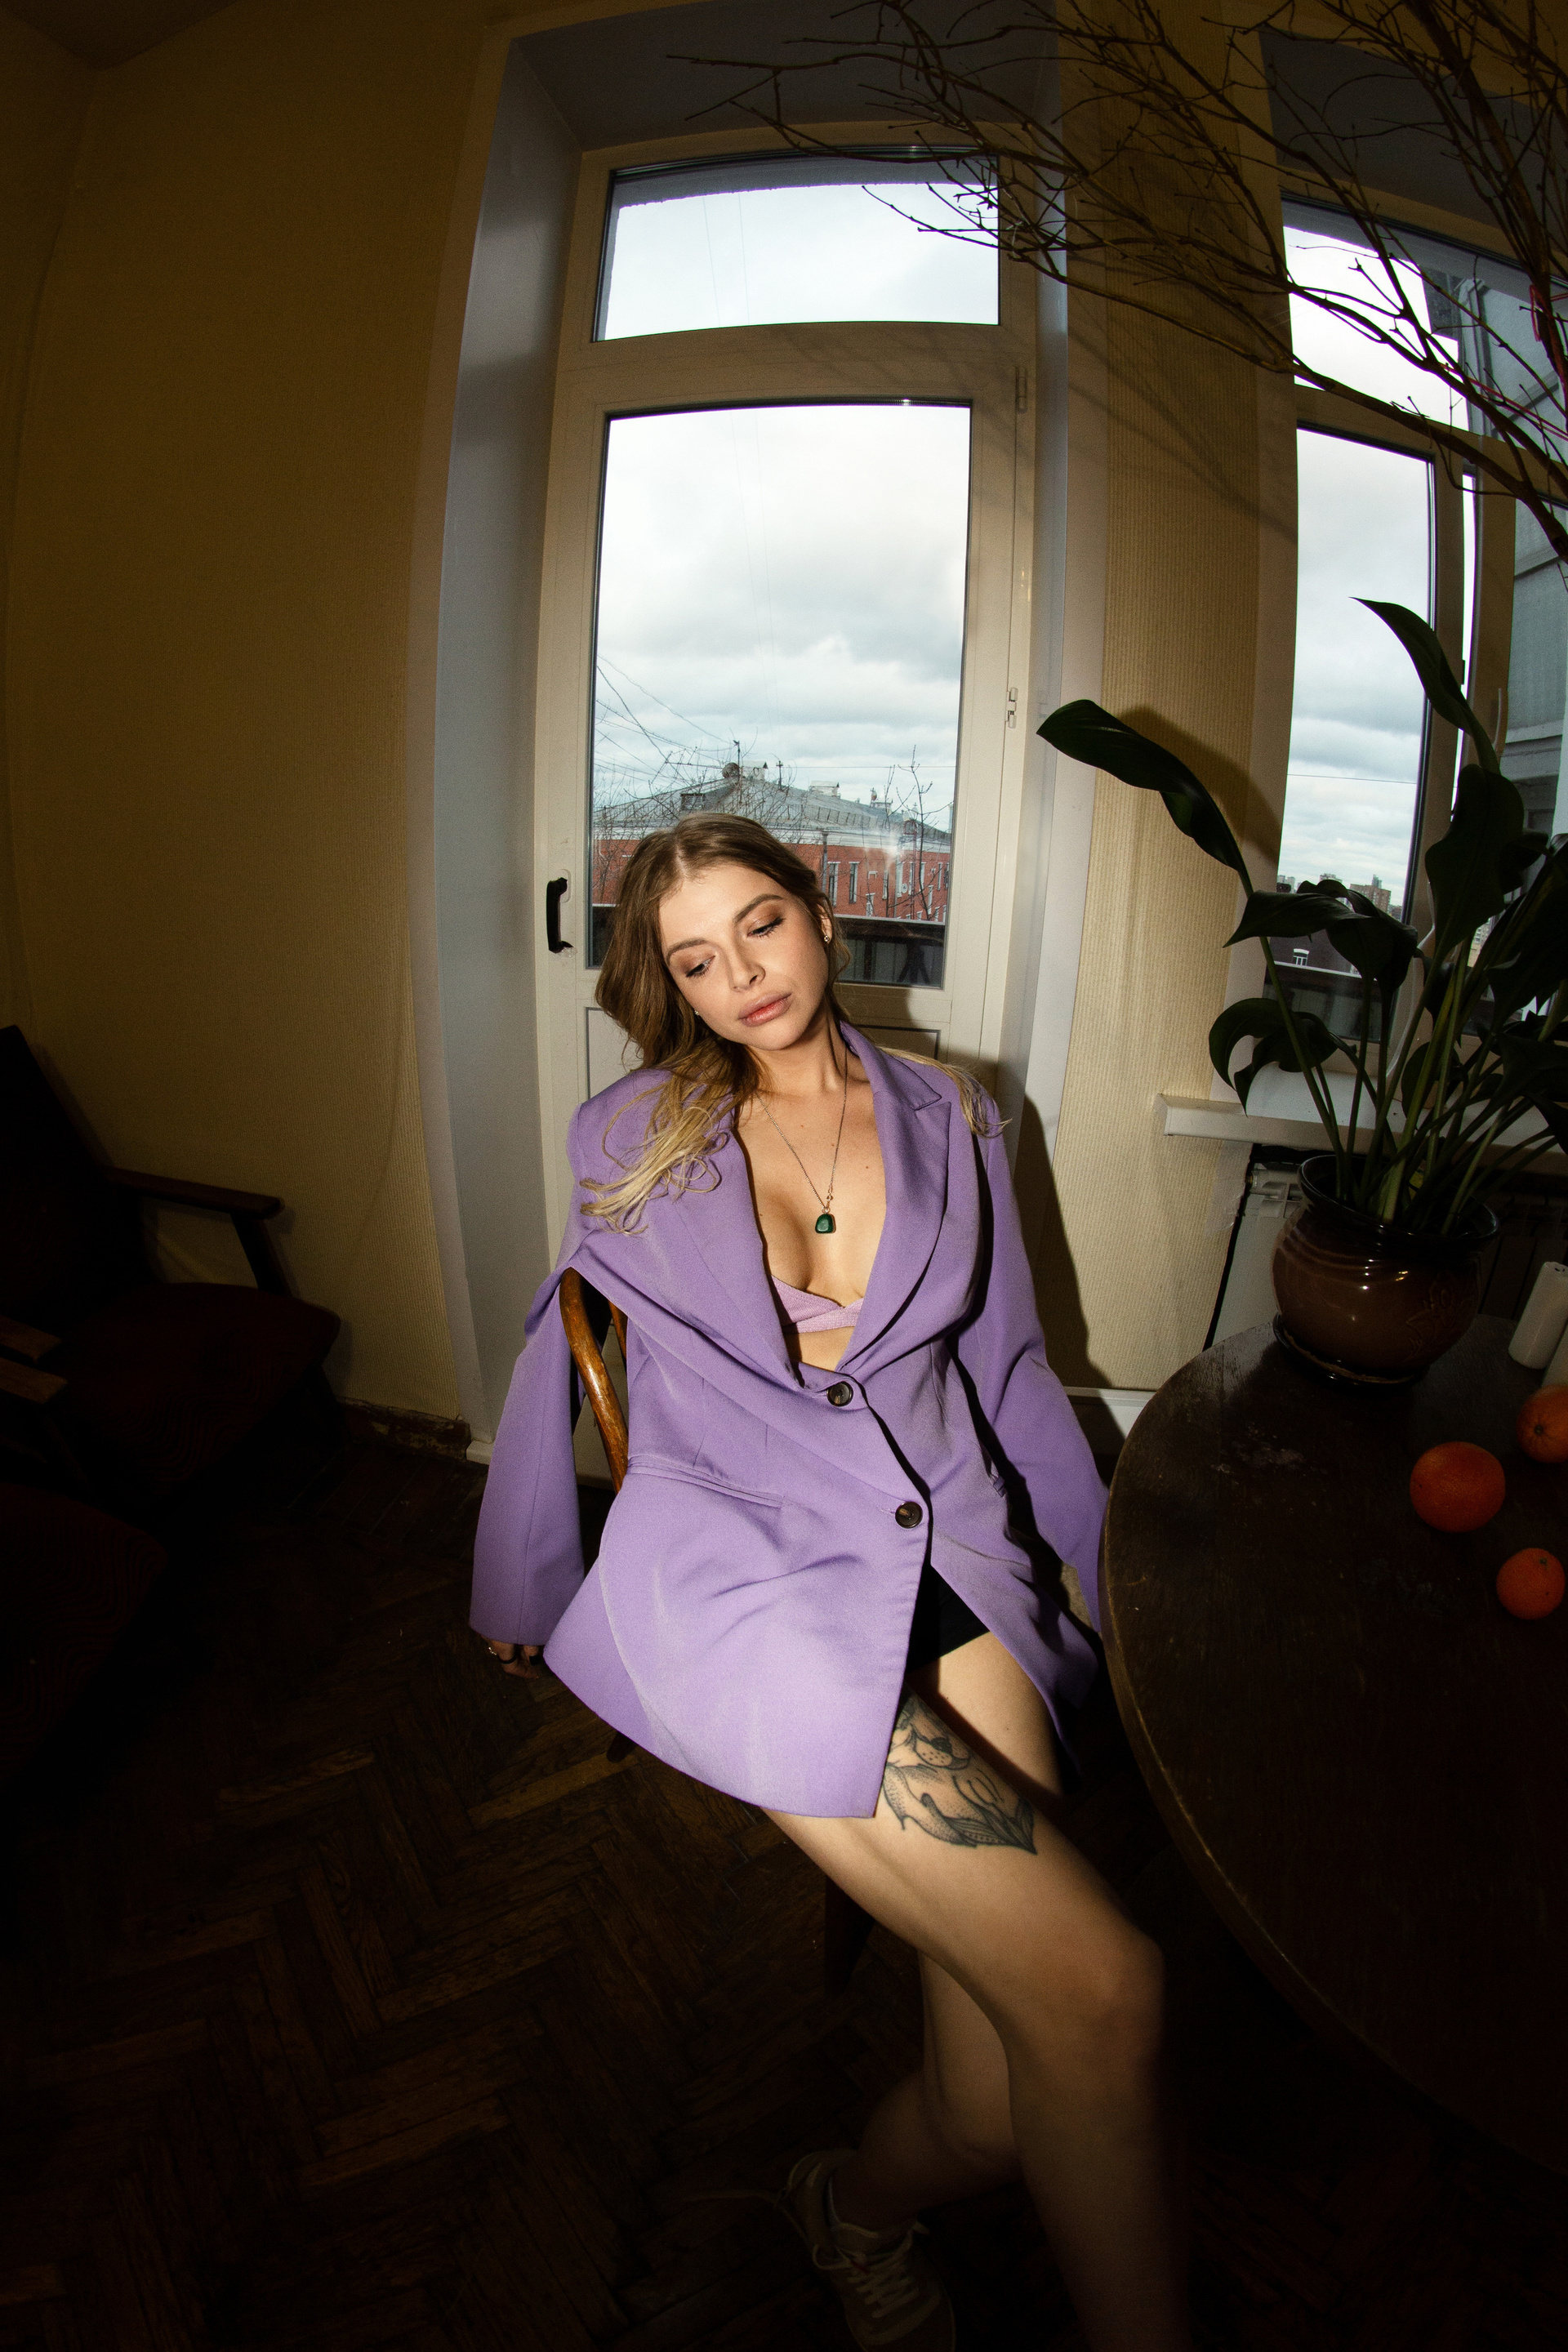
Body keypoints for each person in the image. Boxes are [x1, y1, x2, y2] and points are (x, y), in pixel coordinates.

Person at [471, 816, 1189, 2351]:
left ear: (823, 914)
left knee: (995, 2104)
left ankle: (849, 2210)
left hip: (949, 1544)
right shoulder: (631, 1132)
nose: (742, 976)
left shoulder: (958, 1113)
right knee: (1107, 1992)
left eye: (761, 925)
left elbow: (1009, 1365)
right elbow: (560, 1336)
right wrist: (524, 1573)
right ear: (668, 985)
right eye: (695, 960)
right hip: (749, 1575)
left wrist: (1108, 1583)